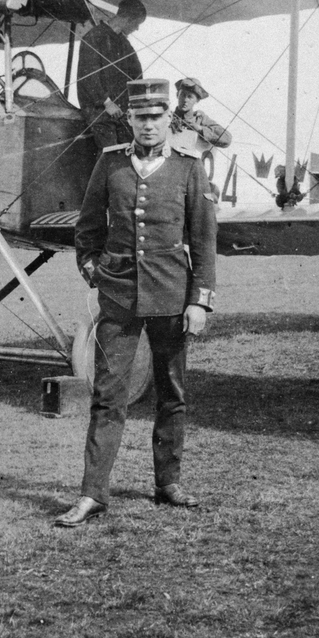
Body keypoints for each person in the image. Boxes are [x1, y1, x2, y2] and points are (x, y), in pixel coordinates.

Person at [56, 78, 218, 528]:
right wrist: (95, 272)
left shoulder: (188, 167)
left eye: (156, 116)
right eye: (140, 116)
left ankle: (168, 483)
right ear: (129, 119)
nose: (148, 125)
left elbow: (204, 240)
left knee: (172, 393)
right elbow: (87, 229)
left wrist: (199, 301)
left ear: (169, 119)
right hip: (119, 298)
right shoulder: (110, 164)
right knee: (108, 395)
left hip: (171, 296)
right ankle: (92, 494)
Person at [76, 0, 147, 150]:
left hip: (121, 113)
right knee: (111, 155)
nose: (137, 29)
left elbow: (137, 76)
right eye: (136, 24)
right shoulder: (94, 37)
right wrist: (107, 102)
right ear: (128, 19)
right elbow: (89, 77)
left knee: (130, 151)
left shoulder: (125, 44)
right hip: (100, 112)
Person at [170, 77, 232, 152]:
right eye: (183, 95)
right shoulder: (168, 117)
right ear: (177, 95)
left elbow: (227, 139)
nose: (185, 100)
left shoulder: (199, 119)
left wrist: (200, 129)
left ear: (197, 100)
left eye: (190, 97)